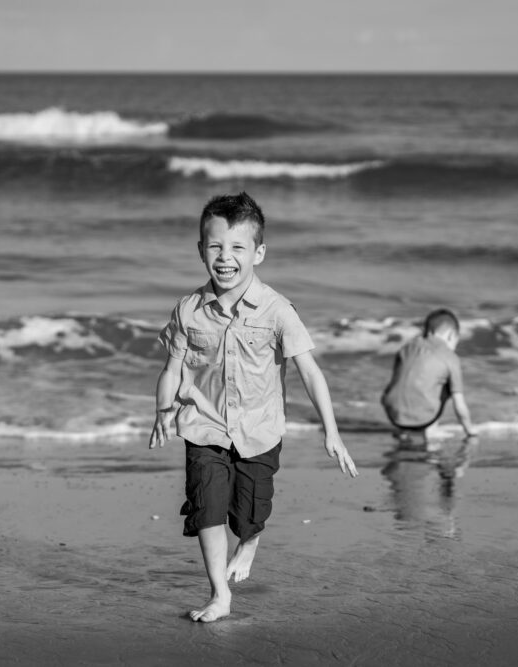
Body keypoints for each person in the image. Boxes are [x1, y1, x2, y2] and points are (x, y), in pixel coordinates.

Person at [150, 191, 358, 623]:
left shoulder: (277, 311)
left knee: (248, 516)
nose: (225, 257)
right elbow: (171, 369)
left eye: (237, 247)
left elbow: (311, 372)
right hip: (203, 426)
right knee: (207, 506)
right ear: (201, 250)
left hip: (259, 431)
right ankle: (219, 594)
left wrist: (331, 430)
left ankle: (249, 541)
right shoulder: (188, 310)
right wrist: (163, 411)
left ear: (258, 253)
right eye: (215, 246)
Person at [381, 308, 477, 441]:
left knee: (413, 378)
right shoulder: (450, 356)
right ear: (451, 335)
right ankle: (431, 430)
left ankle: (403, 432)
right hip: (423, 420)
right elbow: (459, 404)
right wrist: (470, 431)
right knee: (447, 385)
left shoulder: (407, 347)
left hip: (392, 415)